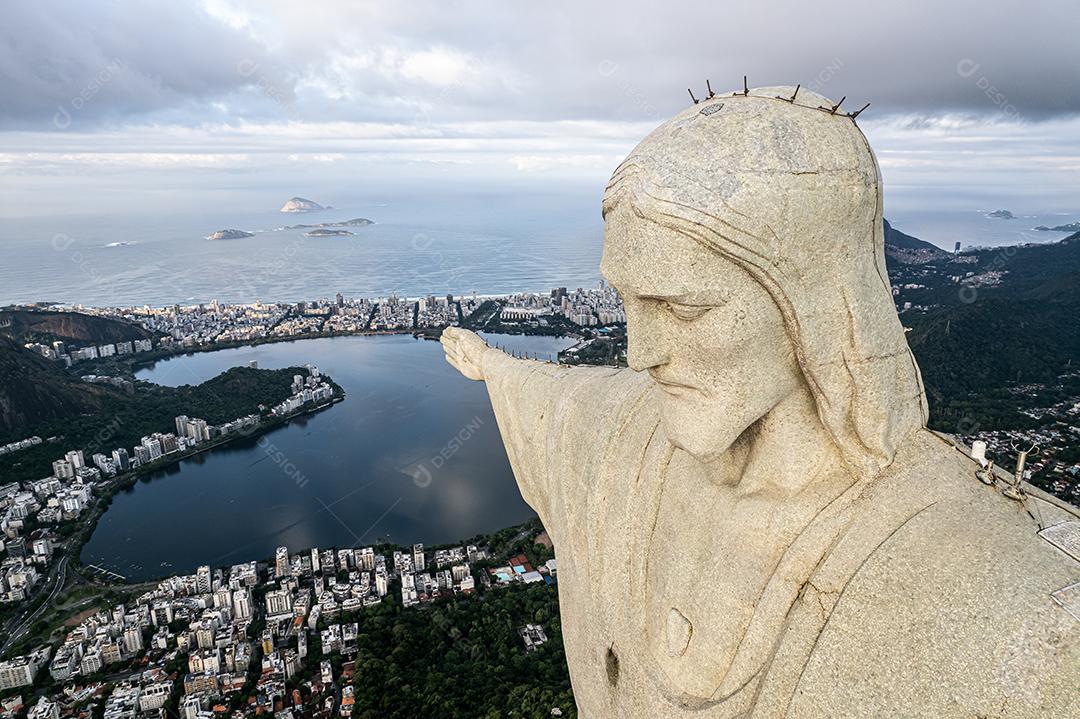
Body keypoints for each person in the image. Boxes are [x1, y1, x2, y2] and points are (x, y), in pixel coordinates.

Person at [441, 86, 1079, 717]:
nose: (640, 354)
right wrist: (494, 366)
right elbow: (565, 404)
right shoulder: (631, 433)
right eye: (627, 304)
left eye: (685, 308)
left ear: (818, 306)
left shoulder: (1018, 614)